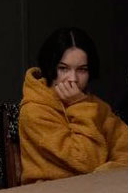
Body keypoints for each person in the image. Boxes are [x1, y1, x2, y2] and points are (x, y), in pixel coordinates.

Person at [19, 27, 128, 184]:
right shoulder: (34, 111)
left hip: (99, 190)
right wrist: (79, 105)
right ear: (50, 68)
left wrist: (107, 170)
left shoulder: (95, 106)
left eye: (82, 70)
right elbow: (86, 162)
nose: (73, 79)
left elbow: (124, 148)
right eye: (63, 68)